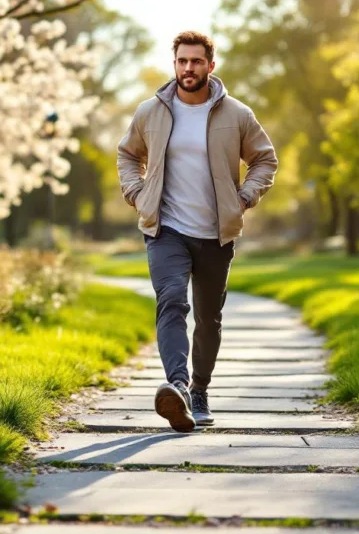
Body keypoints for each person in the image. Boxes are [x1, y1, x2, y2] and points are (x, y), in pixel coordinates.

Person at [116, 31, 278, 432]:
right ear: (174, 64)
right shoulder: (150, 112)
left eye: (196, 61)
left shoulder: (237, 114)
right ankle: (178, 386)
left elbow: (265, 160)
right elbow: (127, 154)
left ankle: (200, 390)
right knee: (172, 302)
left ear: (210, 65)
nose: (188, 68)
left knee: (209, 318)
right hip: (165, 228)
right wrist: (136, 192)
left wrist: (244, 198)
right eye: (182, 61)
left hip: (215, 232)